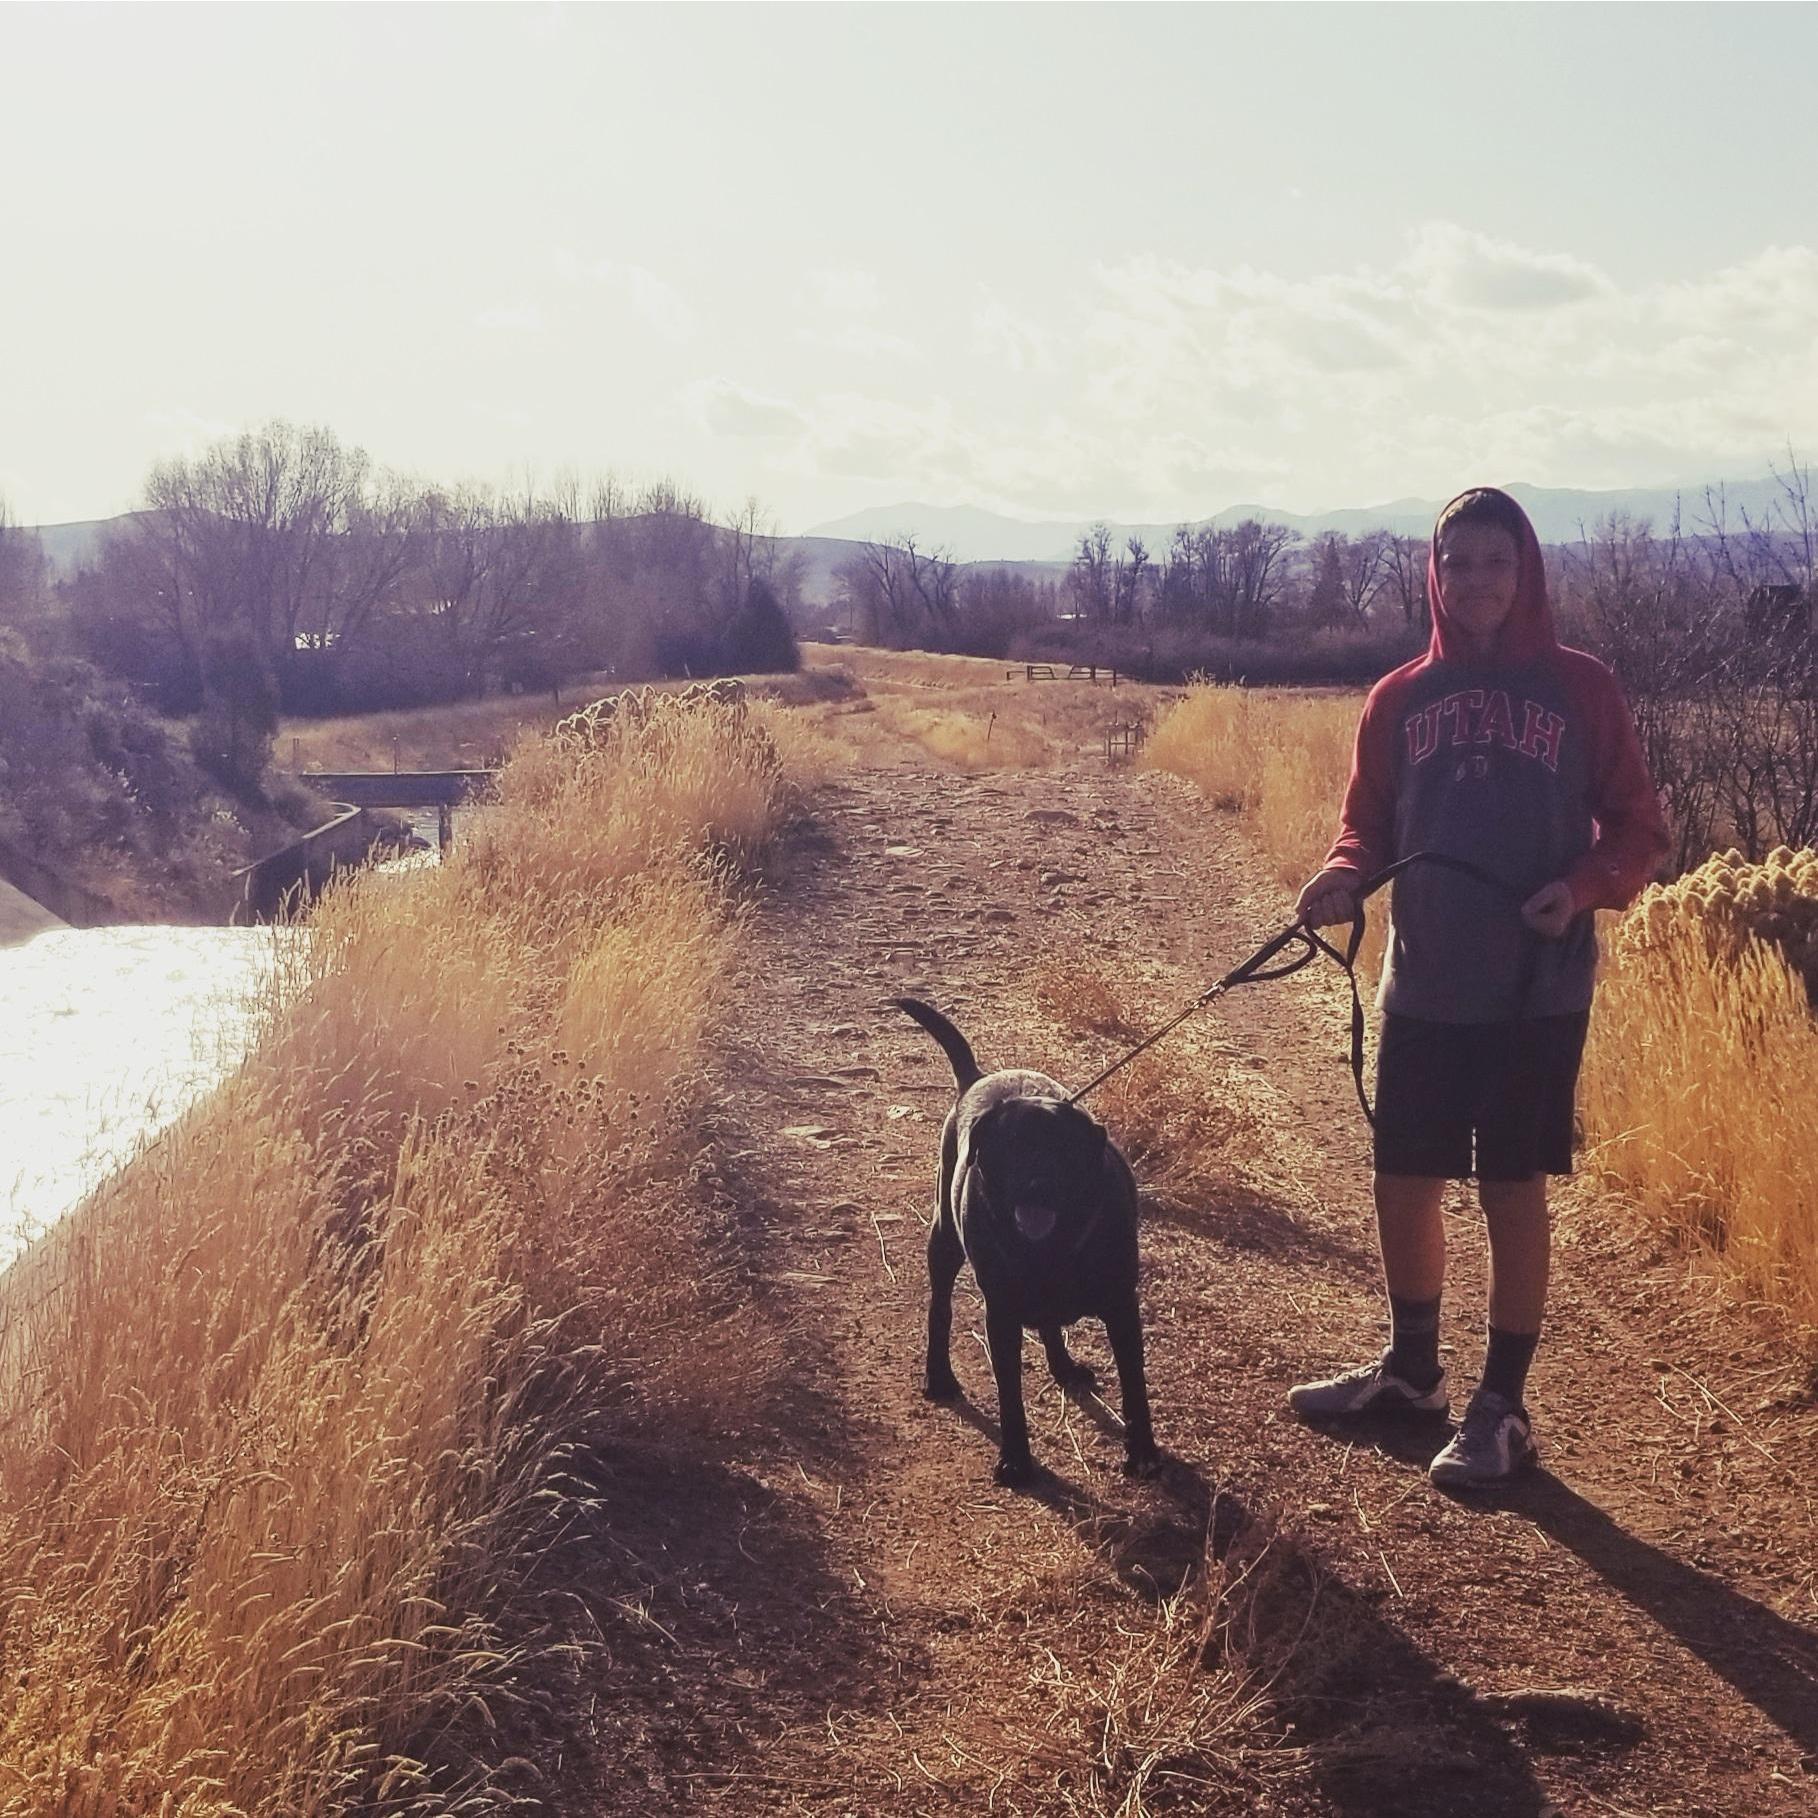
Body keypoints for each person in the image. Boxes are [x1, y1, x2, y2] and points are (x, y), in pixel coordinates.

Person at [1289, 486, 1668, 1487]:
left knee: (1509, 1185)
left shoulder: (1582, 688)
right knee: (1402, 1179)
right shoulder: (1397, 697)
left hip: (1534, 992)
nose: (1477, 581)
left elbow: (1641, 832)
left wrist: (1582, 888)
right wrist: (1342, 875)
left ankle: (1504, 1405)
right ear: (1435, 571)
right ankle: (1414, 1375)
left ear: (1527, 568)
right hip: (1423, 984)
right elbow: (1369, 824)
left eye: (1496, 561)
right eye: (1457, 562)